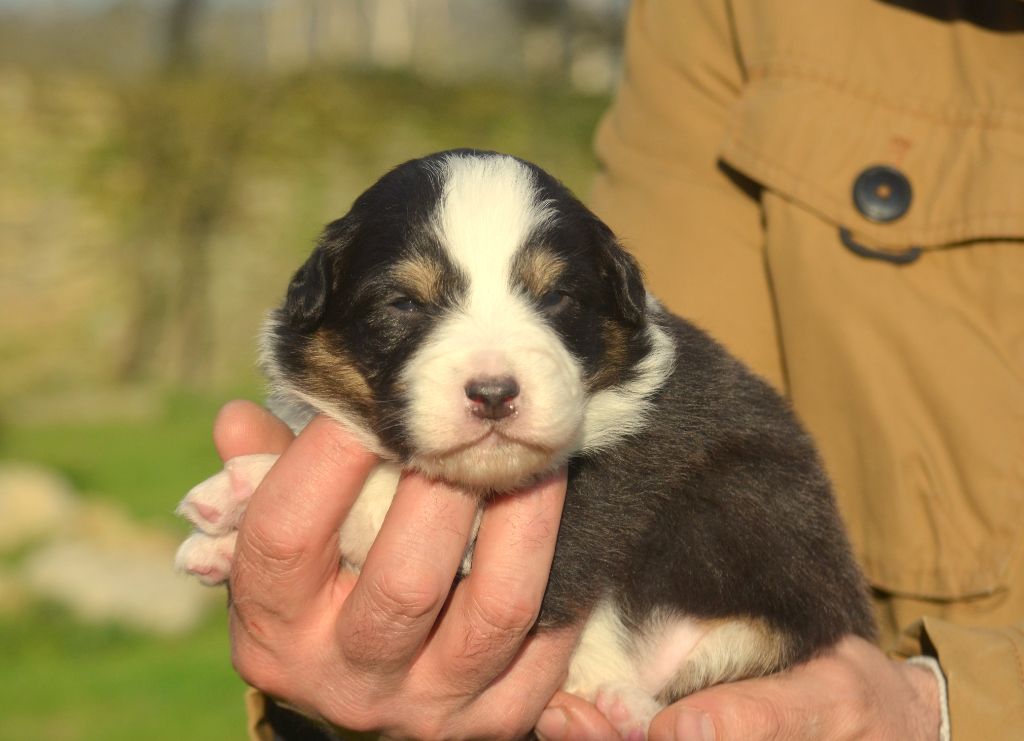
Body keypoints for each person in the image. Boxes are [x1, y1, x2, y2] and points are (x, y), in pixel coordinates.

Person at [227, 1, 1024, 738]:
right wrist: (323, 703)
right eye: (407, 308)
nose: (496, 370)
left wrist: (938, 709)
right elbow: (667, 407)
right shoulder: (735, 16)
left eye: (551, 300)